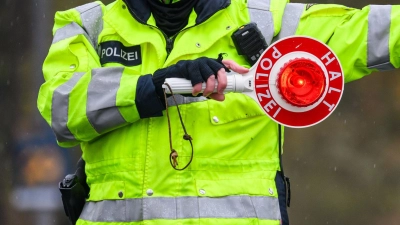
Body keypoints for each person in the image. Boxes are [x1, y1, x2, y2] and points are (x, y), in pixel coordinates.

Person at [37, 0, 400, 224]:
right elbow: (61, 108)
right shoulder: (88, 25)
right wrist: (153, 85)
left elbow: (378, 31)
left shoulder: (270, 23)